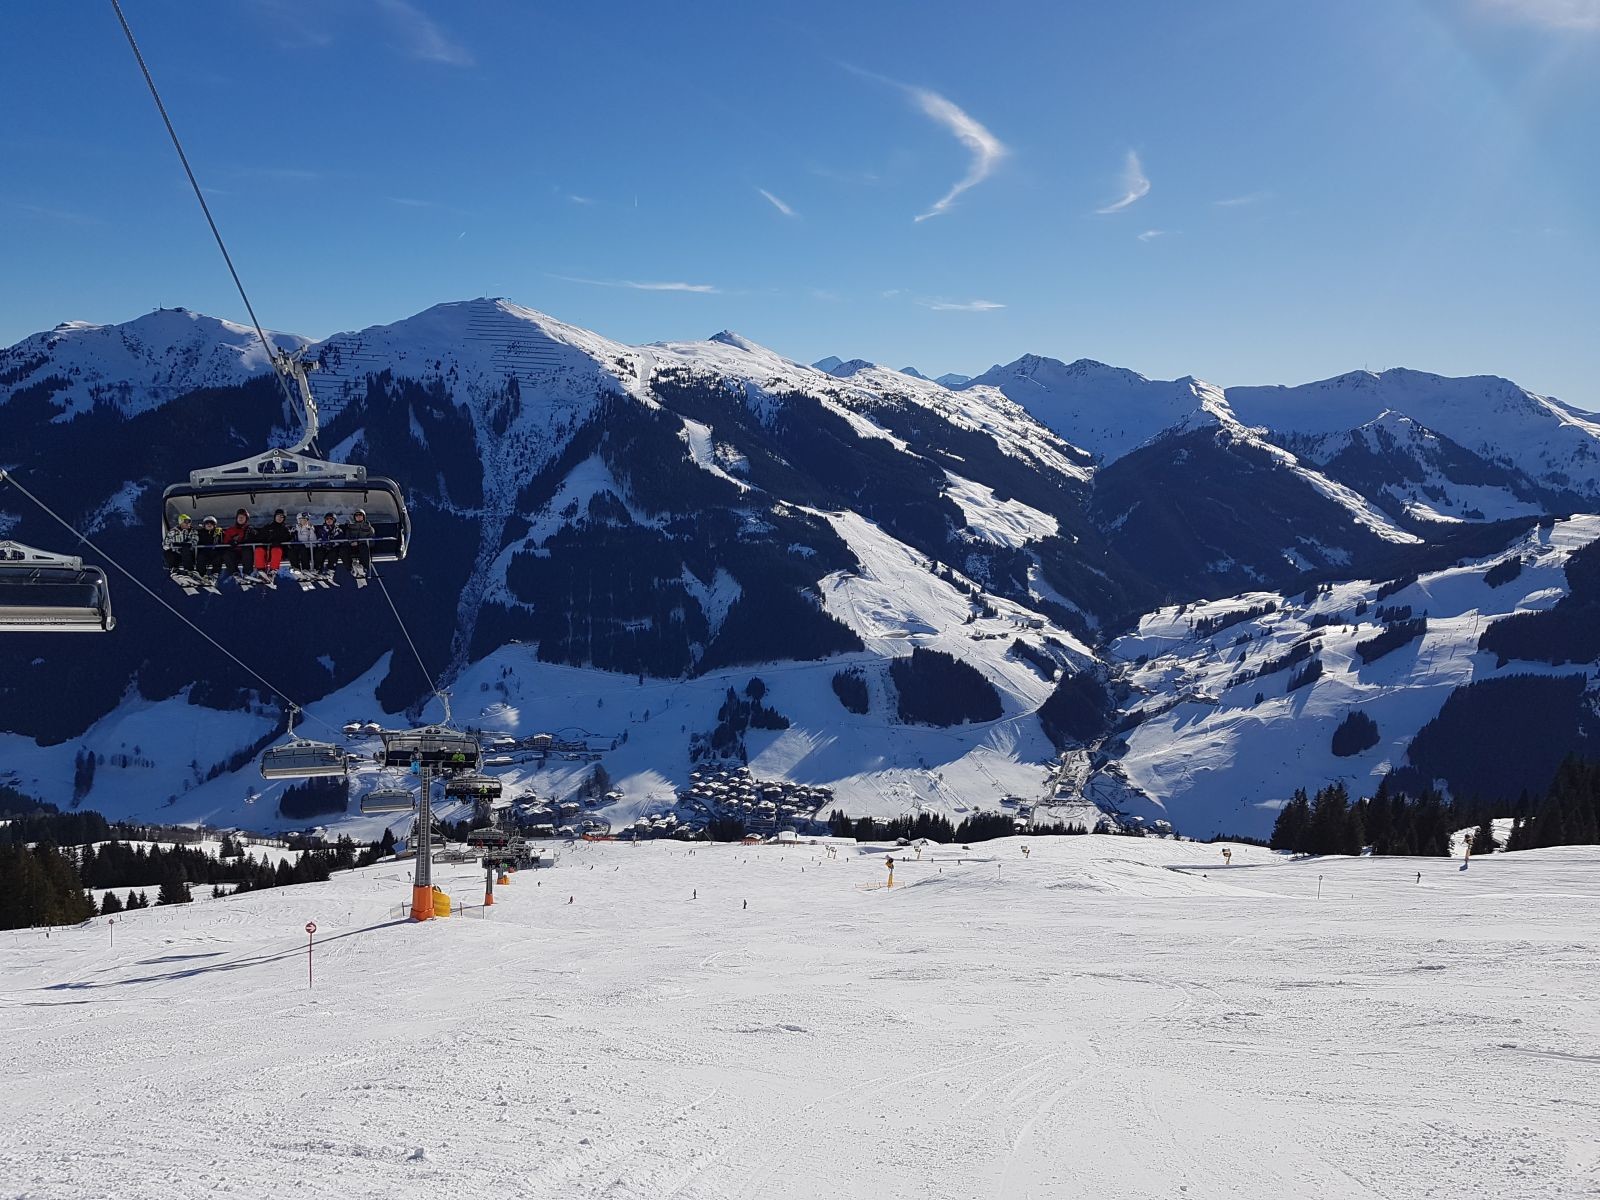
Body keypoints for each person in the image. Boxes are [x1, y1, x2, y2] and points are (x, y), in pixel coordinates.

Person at [256, 508, 292, 573]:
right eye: (278, 516)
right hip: (267, 549)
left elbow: (287, 537)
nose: (279, 518)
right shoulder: (268, 527)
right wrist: (266, 540)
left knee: (276, 550)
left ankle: (273, 571)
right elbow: (260, 536)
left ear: (284, 518)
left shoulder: (285, 528)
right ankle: (260, 570)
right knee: (259, 550)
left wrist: (278, 541)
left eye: (282, 516)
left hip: (279, 550)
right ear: (275, 516)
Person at [220, 508, 253, 577]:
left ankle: (247, 574)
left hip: (244, 552)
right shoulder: (231, 530)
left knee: (247, 552)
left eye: (243, 517)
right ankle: (235, 573)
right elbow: (225, 541)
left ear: (246, 519)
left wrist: (251, 535)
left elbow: (255, 538)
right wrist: (231, 542)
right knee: (227, 555)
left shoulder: (249, 529)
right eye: (239, 517)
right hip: (234, 552)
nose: (241, 519)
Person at [344, 508, 376, 574]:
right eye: (356, 515)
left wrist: (359, 543)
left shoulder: (369, 528)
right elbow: (346, 538)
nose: (358, 517)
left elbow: (372, 542)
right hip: (352, 547)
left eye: (360, 515)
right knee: (343, 550)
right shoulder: (350, 527)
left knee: (363, 547)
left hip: (363, 547)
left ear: (363, 516)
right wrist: (350, 542)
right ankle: (351, 568)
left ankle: (364, 569)